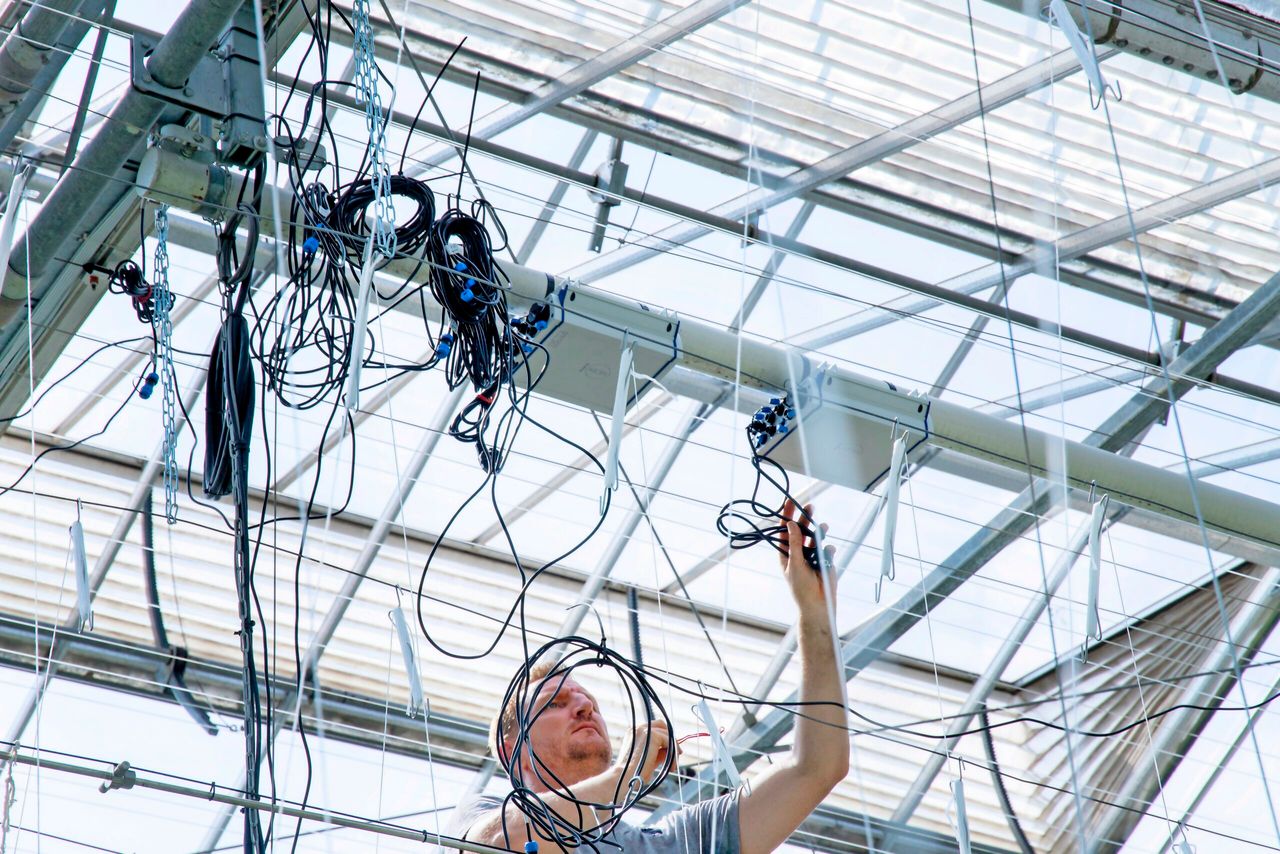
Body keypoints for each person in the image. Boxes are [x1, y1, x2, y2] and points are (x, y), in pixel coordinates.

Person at [450, 500, 849, 852]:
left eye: (588, 701)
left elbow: (816, 767)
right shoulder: (485, 814)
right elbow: (501, 844)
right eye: (554, 703)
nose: (584, 706)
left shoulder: (676, 843)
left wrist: (816, 617)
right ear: (510, 751)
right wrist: (624, 776)